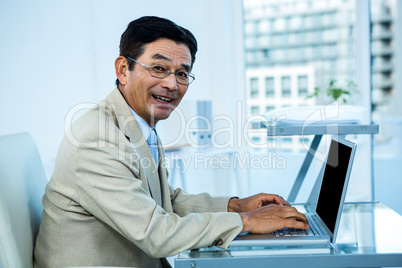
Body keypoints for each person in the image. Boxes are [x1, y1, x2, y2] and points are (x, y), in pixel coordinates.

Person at [33, 16, 308, 268]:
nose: (172, 84)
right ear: (123, 69)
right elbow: (156, 231)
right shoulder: (98, 139)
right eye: (159, 68)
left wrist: (234, 206)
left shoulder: (137, 122)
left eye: (182, 73)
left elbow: (162, 200)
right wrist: (246, 221)